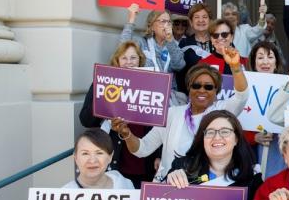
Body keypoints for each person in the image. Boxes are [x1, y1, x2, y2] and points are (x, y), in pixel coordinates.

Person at [113, 54, 249, 182]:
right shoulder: (172, 114)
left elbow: (241, 96)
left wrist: (235, 67)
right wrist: (127, 134)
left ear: (216, 91)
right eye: (196, 85)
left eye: (208, 87)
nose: (202, 90)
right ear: (189, 88)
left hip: (205, 187)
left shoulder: (221, 112)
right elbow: (143, 149)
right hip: (168, 187)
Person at [79, 41, 157, 187]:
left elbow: (158, 124)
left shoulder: (151, 84)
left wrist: (158, 155)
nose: (129, 62)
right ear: (117, 61)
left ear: (140, 60)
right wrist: (105, 97)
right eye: (124, 58)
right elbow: (86, 120)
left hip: (144, 159)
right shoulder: (102, 83)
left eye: (133, 58)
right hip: (115, 158)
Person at [246, 40, 287, 179]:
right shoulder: (244, 88)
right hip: (253, 152)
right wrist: (253, 137)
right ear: (254, 62)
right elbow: (236, 125)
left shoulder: (287, 87)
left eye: (270, 57)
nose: (265, 62)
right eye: (260, 57)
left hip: (278, 149)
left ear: (276, 63)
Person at [121, 4, 185, 86]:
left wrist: (170, 41)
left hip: (168, 92)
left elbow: (179, 66)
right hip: (145, 88)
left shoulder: (173, 44)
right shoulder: (142, 42)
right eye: (163, 21)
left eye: (169, 22)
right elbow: (122, 50)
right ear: (151, 27)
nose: (166, 25)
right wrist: (131, 19)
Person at [63, 129, 135, 189]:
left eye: (99, 153)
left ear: (110, 156)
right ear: (75, 157)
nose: (92, 160)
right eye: (85, 153)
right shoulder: (64, 194)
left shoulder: (125, 185)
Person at [178, 3, 213, 92]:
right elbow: (180, 73)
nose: (201, 20)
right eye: (196, 17)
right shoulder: (184, 43)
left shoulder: (219, 41)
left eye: (205, 17)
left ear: (210, 20)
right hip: (192, 93)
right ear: (191, 22)